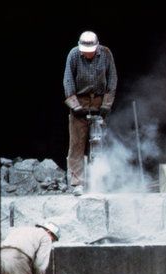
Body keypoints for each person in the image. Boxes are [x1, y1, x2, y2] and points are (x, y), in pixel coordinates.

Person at [63, 31, 118, 196]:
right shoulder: (73, 54)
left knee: (100, 143)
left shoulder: (106, 53)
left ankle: (100, 181)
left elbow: (113, 78)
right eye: (85, 51)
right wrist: (74, 105)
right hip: (80, 101)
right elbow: (68, 79)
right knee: (77, 145)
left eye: (91, 50)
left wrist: (107, 104)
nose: (88, 53)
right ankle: (77, 183)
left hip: (99, 101)